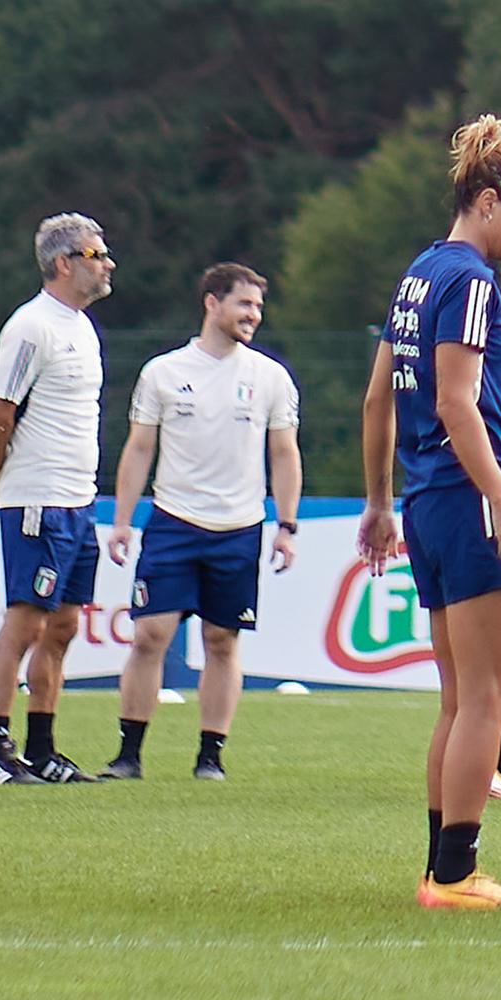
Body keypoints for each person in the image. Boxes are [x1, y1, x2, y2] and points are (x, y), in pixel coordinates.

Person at [356, 120, 501, 912]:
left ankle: (441, 863)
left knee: (458, 694)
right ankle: (455, 874)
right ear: (485, 201)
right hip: (472, 498)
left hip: (428, 498)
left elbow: (378, 398)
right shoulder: (470, 280)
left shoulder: (419, 274)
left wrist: (379, 500)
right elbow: (455, 401)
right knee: (488, 693)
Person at [102, 263, 302, 782]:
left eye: (258, 306)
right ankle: (129, 754)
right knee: (150, 634)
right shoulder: (163, 372)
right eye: (244, 304)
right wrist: (122, 521)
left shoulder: (270, 377)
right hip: (173, 522)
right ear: (212, 304)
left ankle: (210, 756)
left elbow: (284, 454)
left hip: (239, 528)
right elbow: (140, 447)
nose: (253, 315)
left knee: (222, 640)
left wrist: (287, 525)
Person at [0, 214, 115, 784]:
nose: (106, 264)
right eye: (95, 253)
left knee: (62, 628)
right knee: (25, 623)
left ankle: (42, 747)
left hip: (78, 501)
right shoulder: (31, 326)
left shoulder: (80, 325)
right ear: (64, 263)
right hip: (38, 497)